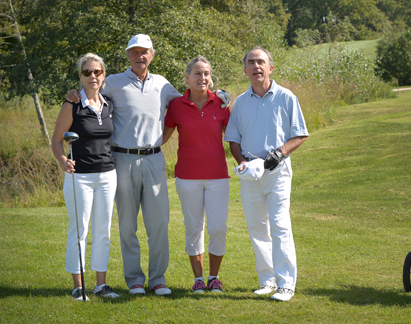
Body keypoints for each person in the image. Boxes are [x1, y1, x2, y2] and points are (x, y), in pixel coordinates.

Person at [66, 35, 230, 296]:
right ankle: (134, 280)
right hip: (121, 159)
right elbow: (91, 90)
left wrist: (220, 94)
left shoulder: (163, 85)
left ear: (152, 55)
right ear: (128, 55)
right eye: (134, 52)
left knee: (158, 223)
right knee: (127, 224)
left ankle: (158, 279)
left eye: (145, 52)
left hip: (154, 159)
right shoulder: (114, 82)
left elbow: (191, 98)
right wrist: (73, 92)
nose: (139, 56)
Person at [224, 46, 309, 302]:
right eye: (251, 62)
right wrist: (242, 163)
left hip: (277, 171)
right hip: (251, 172)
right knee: (257, 228)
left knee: (280, 225)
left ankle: (286, 284)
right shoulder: (240, 102)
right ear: (245, 70)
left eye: (261, 62)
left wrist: (279, 153)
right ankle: (267, 280)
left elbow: (300, 134)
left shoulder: (286, 97)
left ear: (270, 67)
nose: (256, 66)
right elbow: (233, 140)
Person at [51, 53, 119, 300]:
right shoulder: (72, 105)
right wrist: (62, 161)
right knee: (79, 230)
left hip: (107, 175)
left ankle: (101, 285)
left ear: (103, 75)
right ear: (80, 76)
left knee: (104, 231)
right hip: (79, 176)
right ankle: (78, 287)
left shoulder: (109, 103)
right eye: (87, 72)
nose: (93, 76)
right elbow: (57, 141)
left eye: (97, 72)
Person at [163, 56, 231, 294]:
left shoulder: (222, 104)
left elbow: (235, 135)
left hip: (218, 177)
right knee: (194, 227)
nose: (203, 78)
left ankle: (214, 277)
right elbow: (161, 138)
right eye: (198, 74)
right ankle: (199, 280)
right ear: (187, 78)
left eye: (207, 74)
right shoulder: (176, 106)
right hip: (187, 177)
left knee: (218, 227)